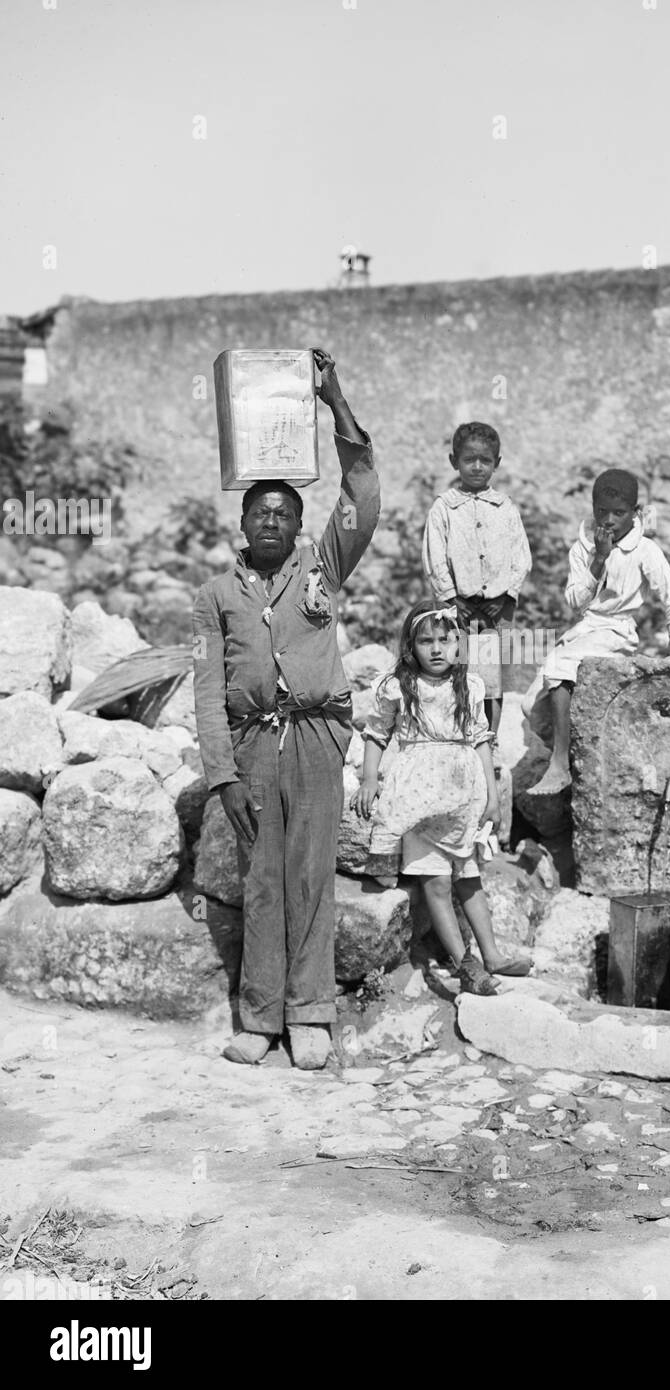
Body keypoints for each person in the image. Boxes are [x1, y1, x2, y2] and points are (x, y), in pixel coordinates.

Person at [192, 347, 379, 1069]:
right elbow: (208, 687)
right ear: (243, 523)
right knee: (262, 879)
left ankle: (311, 1014)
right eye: (260, 512)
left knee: (311, 873)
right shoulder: (214, 597)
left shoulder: (323, 567)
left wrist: (336, 400)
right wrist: (222, 775)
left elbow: (362, 495)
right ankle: (259, 1015)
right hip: (252, 748)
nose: (271, 522)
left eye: (283, 513)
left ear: (298, 525)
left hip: (317, 736)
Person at [351, 597, 531, 994]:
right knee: (434, 882)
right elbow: (376, 734)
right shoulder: (398, 687)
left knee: (468, 878)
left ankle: (493, 954)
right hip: (417, 797)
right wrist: (368, 780)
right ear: (410, 647)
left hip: (462, 794)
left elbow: (482, 740)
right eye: (425, 641)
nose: (436, 649)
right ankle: (465, 966)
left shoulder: (469, 685)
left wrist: (493, 798)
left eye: (445, 640)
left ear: (458, 645)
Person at [528, 467, 670, 793]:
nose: (610, 520)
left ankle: (559, 764)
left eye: (619, 513)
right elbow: (574, 601)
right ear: (593, 508)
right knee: (530, 706)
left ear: (636, 513)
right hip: (585, 628)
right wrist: (598, 561)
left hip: (617, 632)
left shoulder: (644, 550)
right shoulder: (583, 547)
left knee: (560, 665)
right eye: (602, 511)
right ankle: (574, 754)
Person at [421, 422, 531, 739]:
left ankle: (489, 741)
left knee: (491, 678)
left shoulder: (505, 508)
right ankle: (458, 735)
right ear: (454, 460)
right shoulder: (444, 508)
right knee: (459, 672)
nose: (477, 467)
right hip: (459, 609)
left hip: (496, 610)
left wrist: (507, 595)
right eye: (469, 459)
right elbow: (434, 556)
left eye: (485, 460)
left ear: (497, 462)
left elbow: (520, 556)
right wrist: (452, 597)